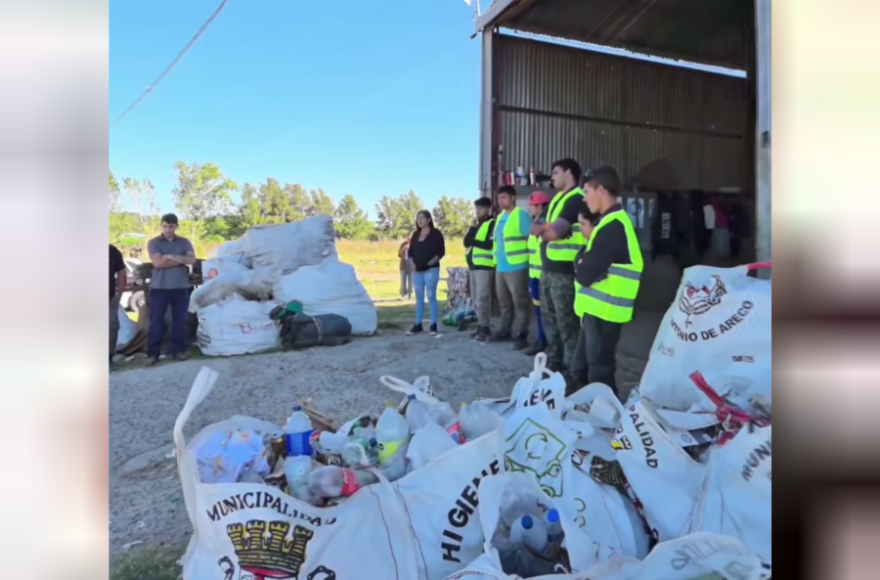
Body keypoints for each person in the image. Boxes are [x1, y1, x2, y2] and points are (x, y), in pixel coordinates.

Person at [573, 166, 644, 397]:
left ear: (601, 190)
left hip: (605, 312)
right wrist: (583, 262)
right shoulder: (608, 223)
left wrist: (584, 264)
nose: (584, 198)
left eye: (586, 191)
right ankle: (589, 409)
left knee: (600, 371)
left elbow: (584, 274)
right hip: (596, 311)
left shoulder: (614, 225)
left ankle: (607, 419)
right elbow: (583, 264)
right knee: (583, 368)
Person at [531, 158, 588, 387]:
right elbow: (535, 227)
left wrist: (548, 229)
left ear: (569, 173)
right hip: (548, 270)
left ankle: (574, 373)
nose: (552, 177)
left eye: (556, 172)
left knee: (567, 326)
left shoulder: (575, 199)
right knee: (551, 322)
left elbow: (553, 233)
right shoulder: (557, 200)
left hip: (565, 273)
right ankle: (555, 364)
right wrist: (548, 228)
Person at [146, 213, 196, 366]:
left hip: (180, 287)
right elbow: (158, 263)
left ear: (176, 226)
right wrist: (180, 260)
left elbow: (192, 259)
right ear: (161, 226)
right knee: (156, 322)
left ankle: (179, 350)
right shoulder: (154, 242)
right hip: (159, 288)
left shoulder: (184, 242)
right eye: (165, 226)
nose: (168, 229)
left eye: (171, 226)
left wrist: (169, 256)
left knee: (180, 321)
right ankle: (153, 354)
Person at [488, 185, 532, 349]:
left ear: (513, 198)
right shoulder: (500, 217)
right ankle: (505, 330)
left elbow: (531, 236)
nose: (501, 201)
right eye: (499, 198)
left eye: (504, 197)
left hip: (517, 265)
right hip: (501, 266)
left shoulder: (520, 215)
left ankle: (522, 334)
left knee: (520, 301)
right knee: (504, 302)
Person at [406, 210, 446, 336]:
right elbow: (410, 252)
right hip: (417, 271)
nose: (420, 220)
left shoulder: (436, 234)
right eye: (418, 218)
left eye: (422, 218)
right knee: (419, 298)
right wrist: (412, 263)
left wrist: (429, 263)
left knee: (431, 296)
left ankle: (433, 324)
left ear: (429, 219)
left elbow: (441, 252)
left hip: (431, 270)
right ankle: (418, 324)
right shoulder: (415, 234)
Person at [463, 196, 495, 340]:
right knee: (476, 299)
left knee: (483, 298)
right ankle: (481, 325)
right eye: (476, 208)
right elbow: (466, 242)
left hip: (484, 265)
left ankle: (486, 326)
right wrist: (473, 237)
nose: (477, 211)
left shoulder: (491, 223)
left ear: (488, 209)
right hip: (473, 266)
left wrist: (474, 240)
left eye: (480, 208)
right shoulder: (476, 226)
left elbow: (488, 244)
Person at [524, 191, 551, 356]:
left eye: (532, 205)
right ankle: (541, 340)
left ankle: (546, 342)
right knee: (538, 311)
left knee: (546, 312)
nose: (530, 208)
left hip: (544, 275)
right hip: (533, 275)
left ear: (540, 206)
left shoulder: (546, 224)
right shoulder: (535, 223)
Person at [109, 244, 128, 371]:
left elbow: (121, 272)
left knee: (111, 327)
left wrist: (120, 294)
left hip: (108, 298)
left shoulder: (112, 251)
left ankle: (108, 359)